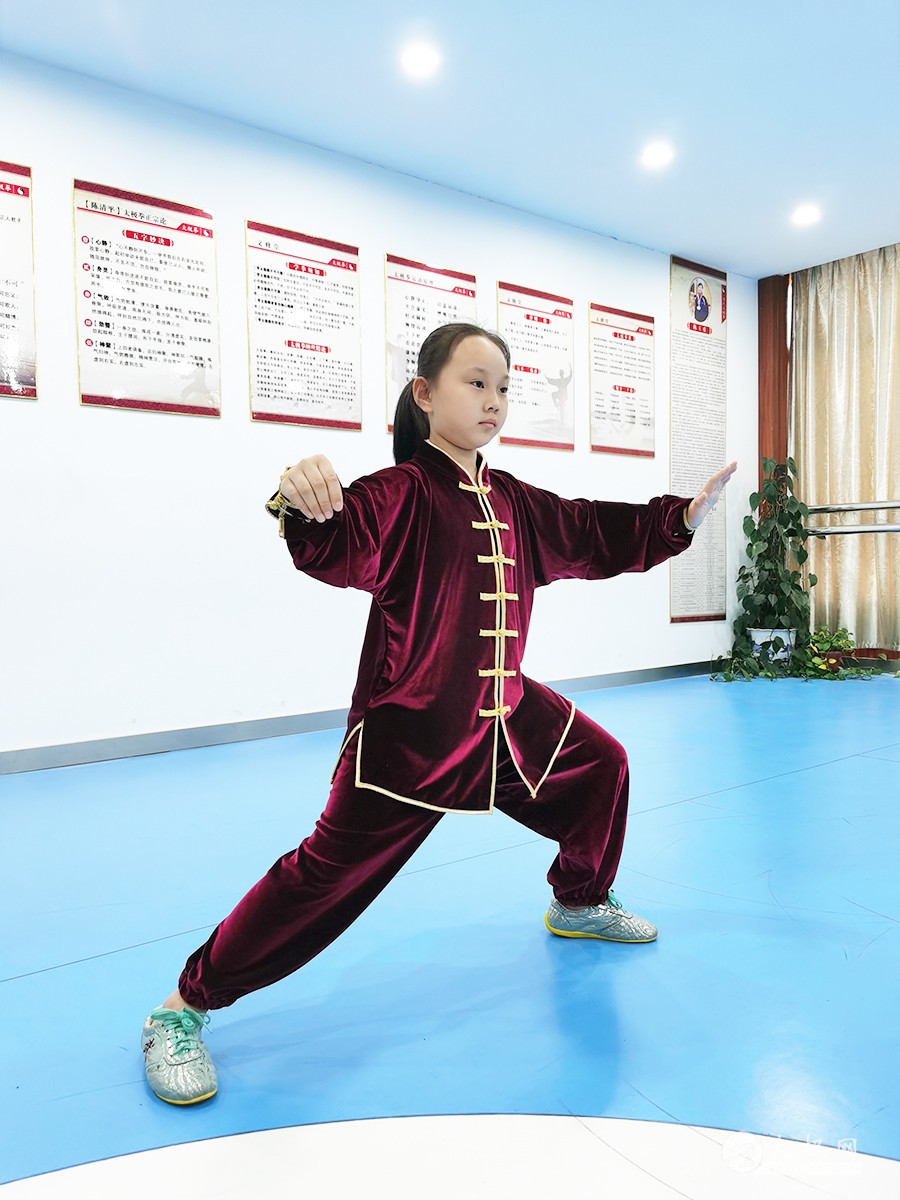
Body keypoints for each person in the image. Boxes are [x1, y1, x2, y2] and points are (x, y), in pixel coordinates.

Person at [141, 322, 737, 1105]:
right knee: (320, 880)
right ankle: (180, 1007)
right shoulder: (401, 494)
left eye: (503, 387)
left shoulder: (512, 498)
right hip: (411, 737)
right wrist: (299, 497)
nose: (493, 400)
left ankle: (580, 899)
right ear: (425, 394)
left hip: (506, 716)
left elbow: (591, 529)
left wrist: (676, 519)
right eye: (476, 383)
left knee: (603, 767)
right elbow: (336, 538)